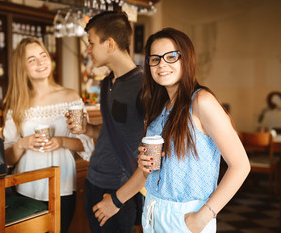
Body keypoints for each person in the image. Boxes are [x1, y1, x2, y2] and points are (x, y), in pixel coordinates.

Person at [91, 27, 250, 233]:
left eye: (171, 56)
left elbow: (241, 165)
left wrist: (202, 217)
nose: (162, 64)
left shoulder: (201, 101)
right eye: (155, 59)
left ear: (186, 59)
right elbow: (148, 171)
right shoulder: (159, 109)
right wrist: (124, 191)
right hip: (153, 211)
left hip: (186, 218)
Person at [2, 37, 94, 233]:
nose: (41, 62)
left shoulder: (70, 97)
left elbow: (87, 144)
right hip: (25, 186)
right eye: (32, 59)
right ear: (22, 67)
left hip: (62, 184)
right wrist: (21, 144)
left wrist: (61, 141)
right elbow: (6, 157)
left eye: (43, 55)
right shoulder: (16, 105)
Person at [67, 11, 144, 232]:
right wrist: (88, 129)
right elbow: (114, 132)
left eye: (91, 43)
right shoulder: (106, 83)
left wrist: (118, 200)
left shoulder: (144, 86)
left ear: (110, 43)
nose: (88, 50)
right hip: (94, 180)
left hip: (119, 189)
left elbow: (157, 154)